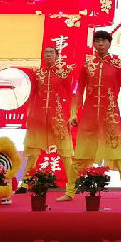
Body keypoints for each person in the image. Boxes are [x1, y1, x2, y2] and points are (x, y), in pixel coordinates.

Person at [57, 30, 121, 201]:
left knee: (120, 154)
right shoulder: (87, 66)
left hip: (111, 116)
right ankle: (70, 192)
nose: (100, 44)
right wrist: (73, 114)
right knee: (80, 155)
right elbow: (79, 91)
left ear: (109, 43)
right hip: (89, 117)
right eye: (97, 41)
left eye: (104, 41)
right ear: (94, 44)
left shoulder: (118, 65)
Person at [22, 47, 74, 181]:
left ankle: (72, 183)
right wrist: (29, 114)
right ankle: (26, 182)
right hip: (38, 116)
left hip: (58, 116)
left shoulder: (64, 72)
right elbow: (32, 94)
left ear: (57, 56)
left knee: (65, 152)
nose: (48, 54)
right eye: (46, 52)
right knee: (33, 151)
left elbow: (70, 95)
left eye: (51, 52)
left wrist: (72, 114)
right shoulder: (38, 73)